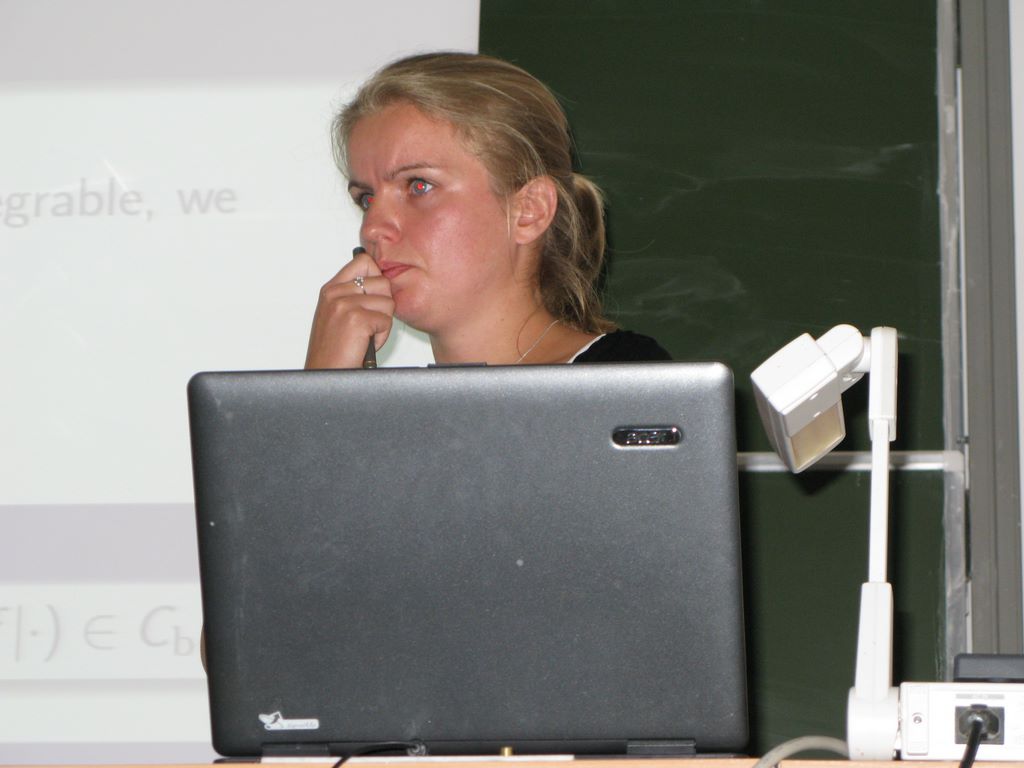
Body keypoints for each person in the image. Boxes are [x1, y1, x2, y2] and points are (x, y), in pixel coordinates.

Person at [304, 52, 671, 369]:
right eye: (366, 199)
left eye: (419, 186)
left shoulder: (626, 383)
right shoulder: (379, 412)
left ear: (529, 210)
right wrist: (323, 386)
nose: (372, 228)